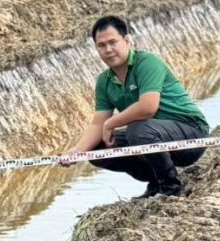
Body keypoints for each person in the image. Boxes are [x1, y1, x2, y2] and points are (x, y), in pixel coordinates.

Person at [62, 15, 209, 198]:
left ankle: (170, 188)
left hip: (191, 134)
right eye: (101, 45)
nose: (108, 50)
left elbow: (148, 108)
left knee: (138, 131)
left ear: (127, 40)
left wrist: (111, 123)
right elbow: (98, 123)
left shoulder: (147, 62)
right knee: (97, 150)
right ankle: (156, 181)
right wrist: (77, 150)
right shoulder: (104, 81)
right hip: (154, 135)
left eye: (113, 42)